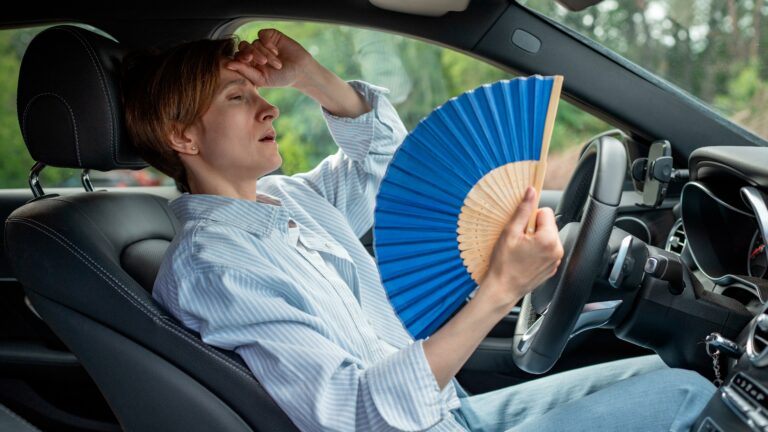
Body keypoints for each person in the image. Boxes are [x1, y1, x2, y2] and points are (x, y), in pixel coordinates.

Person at [121, 28, 715, 431]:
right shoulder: (214, 265)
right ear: (183, 138)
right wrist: (501, 291)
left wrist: (313, 78)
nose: (268, 107)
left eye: (259, 93)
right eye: (236, 96)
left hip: (447, 412)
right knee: (691, 401)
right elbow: (353, 413)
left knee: (673, 373)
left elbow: (384, 165)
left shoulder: (286, 198)